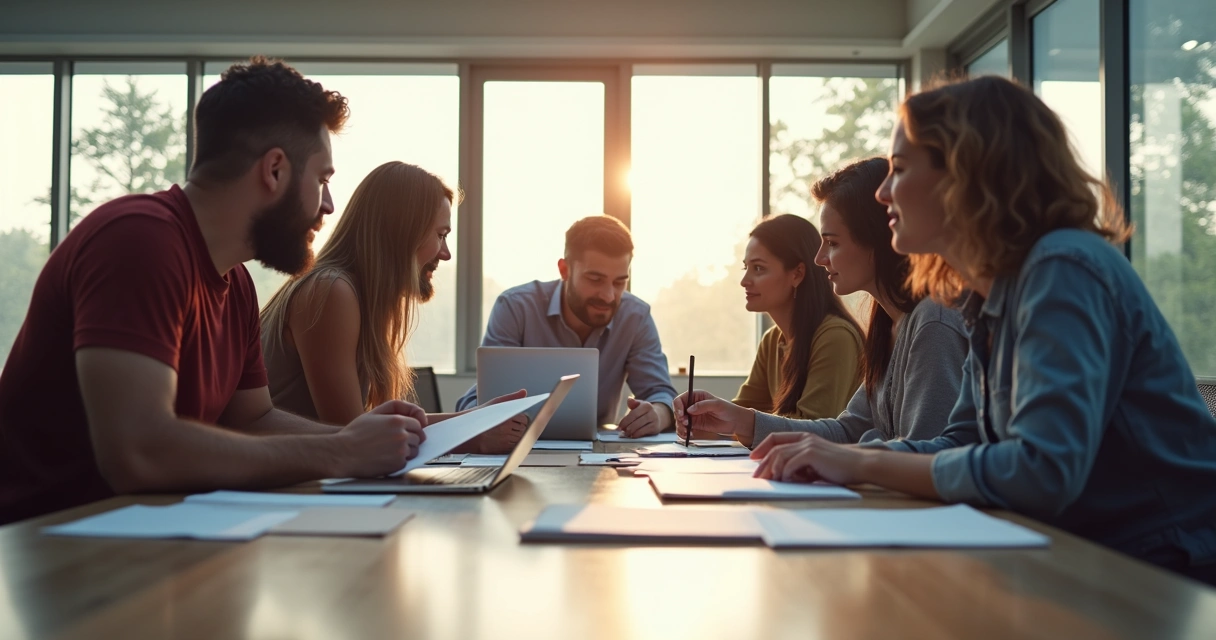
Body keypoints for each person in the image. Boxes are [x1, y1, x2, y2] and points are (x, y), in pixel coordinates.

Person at [752, 76, 1216, 585]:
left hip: (1165, 572)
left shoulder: (1063, 268)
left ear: (966, 177)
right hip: (1083, 557)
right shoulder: (989, 295)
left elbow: (1042, 472)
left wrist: (860, 463)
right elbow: (958, 443)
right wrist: (844, 457)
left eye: (900, 170)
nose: (884, 193)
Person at [0, 58, 427, 525]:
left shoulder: (236, 282)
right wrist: (339, 452)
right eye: (323, 179)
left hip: (152, 533)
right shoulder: (138, 240)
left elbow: (253, 419)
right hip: (50, 545)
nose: (328, 204)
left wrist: (354, 438)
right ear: (275, 170)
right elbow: (138, 453)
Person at [676, 158, 966, 447]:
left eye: (833, 242)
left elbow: (927, 455)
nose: (820, 258)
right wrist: (740, 421)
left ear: (876, 238)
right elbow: (848, 430)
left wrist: (846, 458)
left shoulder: (933, 322)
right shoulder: (888, 325)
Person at [259, 161, 525, 453]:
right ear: (401, 232)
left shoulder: (356, 298)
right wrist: (473, 432)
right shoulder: (332, 291)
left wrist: (475, 419)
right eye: (441, 235)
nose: (446, 254)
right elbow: (355, 436)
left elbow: (372, 428)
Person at [455, 215, 678, 437]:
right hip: (516, 450)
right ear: (564, 270)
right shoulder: (516, 308)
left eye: (619, 282)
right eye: (595, 279)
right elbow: (478, 400)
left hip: (597, 456)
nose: (609, 296)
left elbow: (660, 393)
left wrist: (657, 415)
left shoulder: (635, 317)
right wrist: (482, 417)